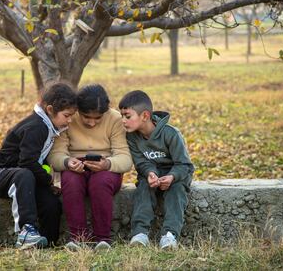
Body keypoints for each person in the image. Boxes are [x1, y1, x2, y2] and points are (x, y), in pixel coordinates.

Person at [0, 83, 77, 249]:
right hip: (0, 174)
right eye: (67, 115)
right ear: (49, 109)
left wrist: (49, 183)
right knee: (24, 174)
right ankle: (26, 232)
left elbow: (38, 161)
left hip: (26, 176)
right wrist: (48, 180)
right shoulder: (37, 127)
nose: (69, 120)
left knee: (51, 204)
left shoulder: (49, 127)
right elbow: (27, 162)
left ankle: (48, 242)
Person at [48, 84, 132, 250]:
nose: (92, 123)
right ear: (77, 109)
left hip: (106, 168)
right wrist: (67, 162)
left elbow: (125, 158)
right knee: (70, 180)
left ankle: (103, 239)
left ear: (105, 112)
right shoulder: (68, 118)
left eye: (98, 118)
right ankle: (79, 238)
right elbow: (55, 155)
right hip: (75, 166)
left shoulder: (114, 119)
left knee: (100, 182)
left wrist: (107, 164)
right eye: (87, 117)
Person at [118, 90, 194, 249]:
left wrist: (172, 177)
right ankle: (140, 233)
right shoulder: (131, 137)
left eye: (127, 116)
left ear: (144, 116)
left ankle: (169, 235)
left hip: (176, 174)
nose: (123, 121)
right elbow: (141, 162)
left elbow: (185, 165)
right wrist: (150, 173)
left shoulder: (171, 134)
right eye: (121, 116)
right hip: (152, 174)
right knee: (144, 188)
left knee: (176, 191)